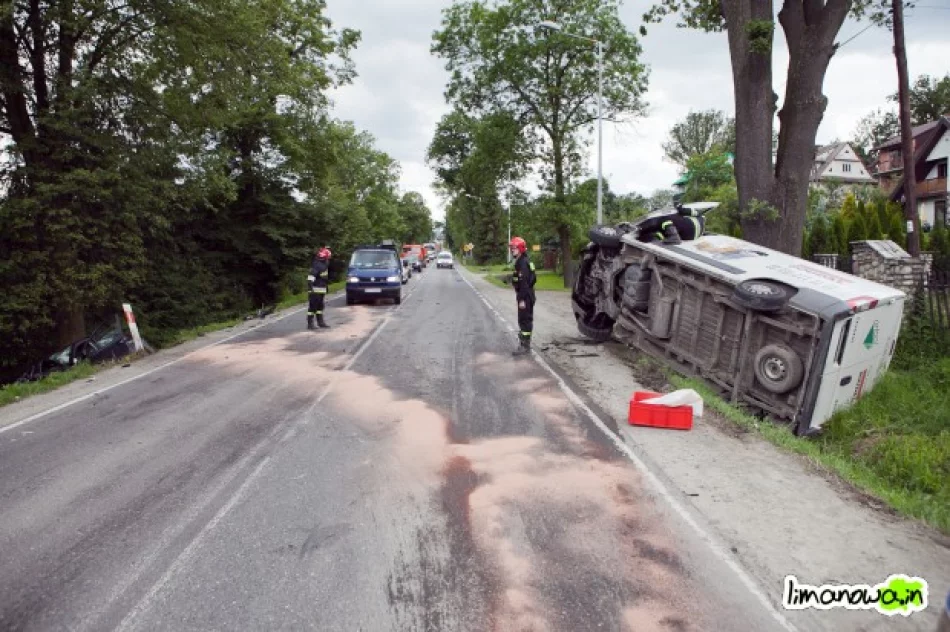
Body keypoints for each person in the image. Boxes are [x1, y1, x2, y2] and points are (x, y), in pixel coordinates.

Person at [509, 237, 536, 356]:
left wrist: (521, 300)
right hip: (526, 295)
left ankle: (525, 346)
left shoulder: (523, 263)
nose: (512, 250)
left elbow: (524, 284)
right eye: (511, 248)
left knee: (525, 320)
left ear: (520, 248)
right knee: (523, 320)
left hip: (525, 296)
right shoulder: (521, 261)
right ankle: (524, 344)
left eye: (514, 248)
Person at [635, 204, 706, 245]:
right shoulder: (673, 214)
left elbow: (676, 239)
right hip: (699, 226)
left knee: (666, 223)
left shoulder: (664, 219)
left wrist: (659, 242)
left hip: (692, 233)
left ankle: (673, 236)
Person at [308, 247, 331, 330]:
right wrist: (310, 289)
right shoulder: (317, 265)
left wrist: (326, 287)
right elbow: (311, 277)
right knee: (312, 307)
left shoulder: (324, 266)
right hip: (315, 290)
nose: (328, 260)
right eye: (328, 258)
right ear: (325, 257)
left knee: (320, 307)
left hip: (321, 289)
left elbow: (323, 278)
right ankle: (310, 324)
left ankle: (320, 322)